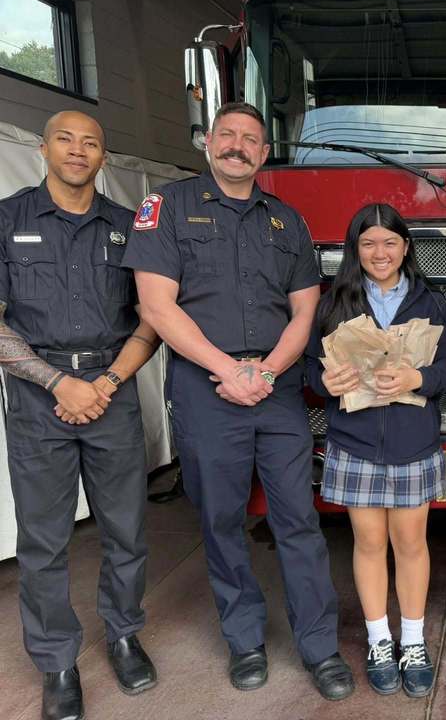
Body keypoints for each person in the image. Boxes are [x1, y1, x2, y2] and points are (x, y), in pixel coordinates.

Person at [120, 102, 352, 701]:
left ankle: (320, 647)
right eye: (228, 135)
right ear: (207, 142)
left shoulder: (287, 221)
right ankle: (244, 640)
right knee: (221, 521)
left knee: (298, 520)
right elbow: (155, 306)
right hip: (206, 388)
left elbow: (305, 311)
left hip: (274, 390)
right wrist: (229, 370)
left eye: (251, 139)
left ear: (264, 151)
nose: (238, 146)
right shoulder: (166, 209)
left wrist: (267, 372)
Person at [0, 111, 160, 720]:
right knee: (43, 539)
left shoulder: (129, 228)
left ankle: (123, 634)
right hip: (37, 395)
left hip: (113, 390)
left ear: (104, 156)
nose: (77, 149)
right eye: (65, 139)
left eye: (91, 141)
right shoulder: (7, 219)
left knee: (126, 528)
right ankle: (56, 662)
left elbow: (154, 316)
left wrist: (108, 381)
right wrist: (58, 383)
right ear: (42, 149)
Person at [306, 203, 446, 699]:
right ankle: (379, 639)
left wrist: (420, 377)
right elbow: (308, 371)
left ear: (405, 247)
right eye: (369, 243)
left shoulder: (429, 301)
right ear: (355, 248)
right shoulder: (334, 302)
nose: (380, 252)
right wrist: (324, 381)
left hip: (414, 440)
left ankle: (413, 641)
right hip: (355, 441)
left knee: (411, 543)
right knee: (369, 543)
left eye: (390, 242)